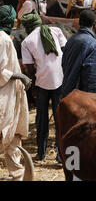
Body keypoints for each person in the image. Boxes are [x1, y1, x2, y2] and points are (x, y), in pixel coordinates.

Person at [20, 11, 67, 161]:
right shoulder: (56, 30)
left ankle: (41, 153)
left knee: (41, 119)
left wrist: (33, 88)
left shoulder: (26, 41)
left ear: (27, 27)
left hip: (42, 83)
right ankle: (61, 155)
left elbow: (28, 69)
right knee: (60, 118)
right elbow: (64, 52)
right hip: (60, 80)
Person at [0, 5, 31, 180]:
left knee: (14, 134)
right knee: (6, 131)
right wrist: (20, 75)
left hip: (12, 91)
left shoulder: (5, 37)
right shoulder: (2, 38)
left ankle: (18, 173)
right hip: (5, 93)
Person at [62, 10, 96, 105]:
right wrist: (93, 99)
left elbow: (64, 64)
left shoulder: (70, 40)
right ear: (94, 24)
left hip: (68, 94)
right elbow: (93, 76)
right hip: (84, 99)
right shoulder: (94, 44)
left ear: (79, 22)